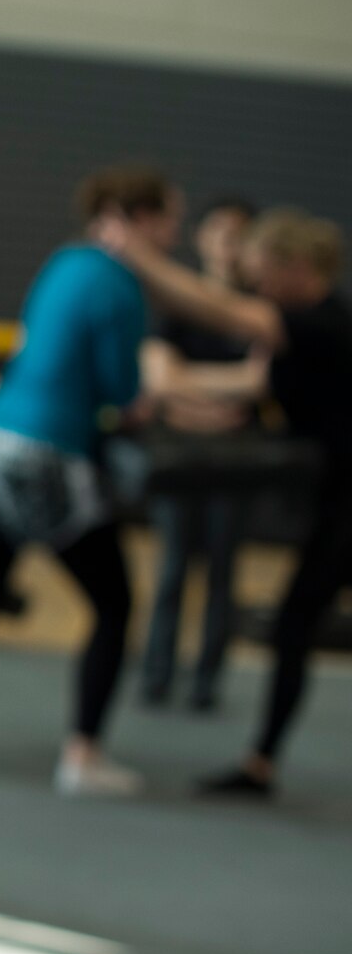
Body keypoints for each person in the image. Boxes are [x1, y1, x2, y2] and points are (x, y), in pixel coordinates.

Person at [0, 166, 182, 797]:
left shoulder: (67, 260)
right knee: (115, 601)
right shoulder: (122, 286)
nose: (173, 234)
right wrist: (152, 398)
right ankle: (84, 755)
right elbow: (120, 390)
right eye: (169, 220)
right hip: (41, 454)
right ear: (142, 218)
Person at [98, 207, 351, 797]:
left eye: (263, 272)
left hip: (346, 508)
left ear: (298, 267)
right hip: (334, 503)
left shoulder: (323, 322)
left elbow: (218, 310)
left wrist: (137, 256)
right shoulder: (301, 326)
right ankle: (260, 765)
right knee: (294, 626)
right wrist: (169, 384)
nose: (257, 284)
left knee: (294, 624)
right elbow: (250, 384)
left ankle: (260, 764)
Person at [138, 196, 259, 711]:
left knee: (223, 572)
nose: (228, 246)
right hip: (180, 457)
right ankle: (157, 674)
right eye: (219, 233)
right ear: (202, 239)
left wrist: (190, 385)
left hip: (235, 463)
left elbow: (258, 381)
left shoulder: (257, 312)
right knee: (171, 569)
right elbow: (161, 380)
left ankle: (206, 680)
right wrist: (211, 404)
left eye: (239, 236)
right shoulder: (178, 305)